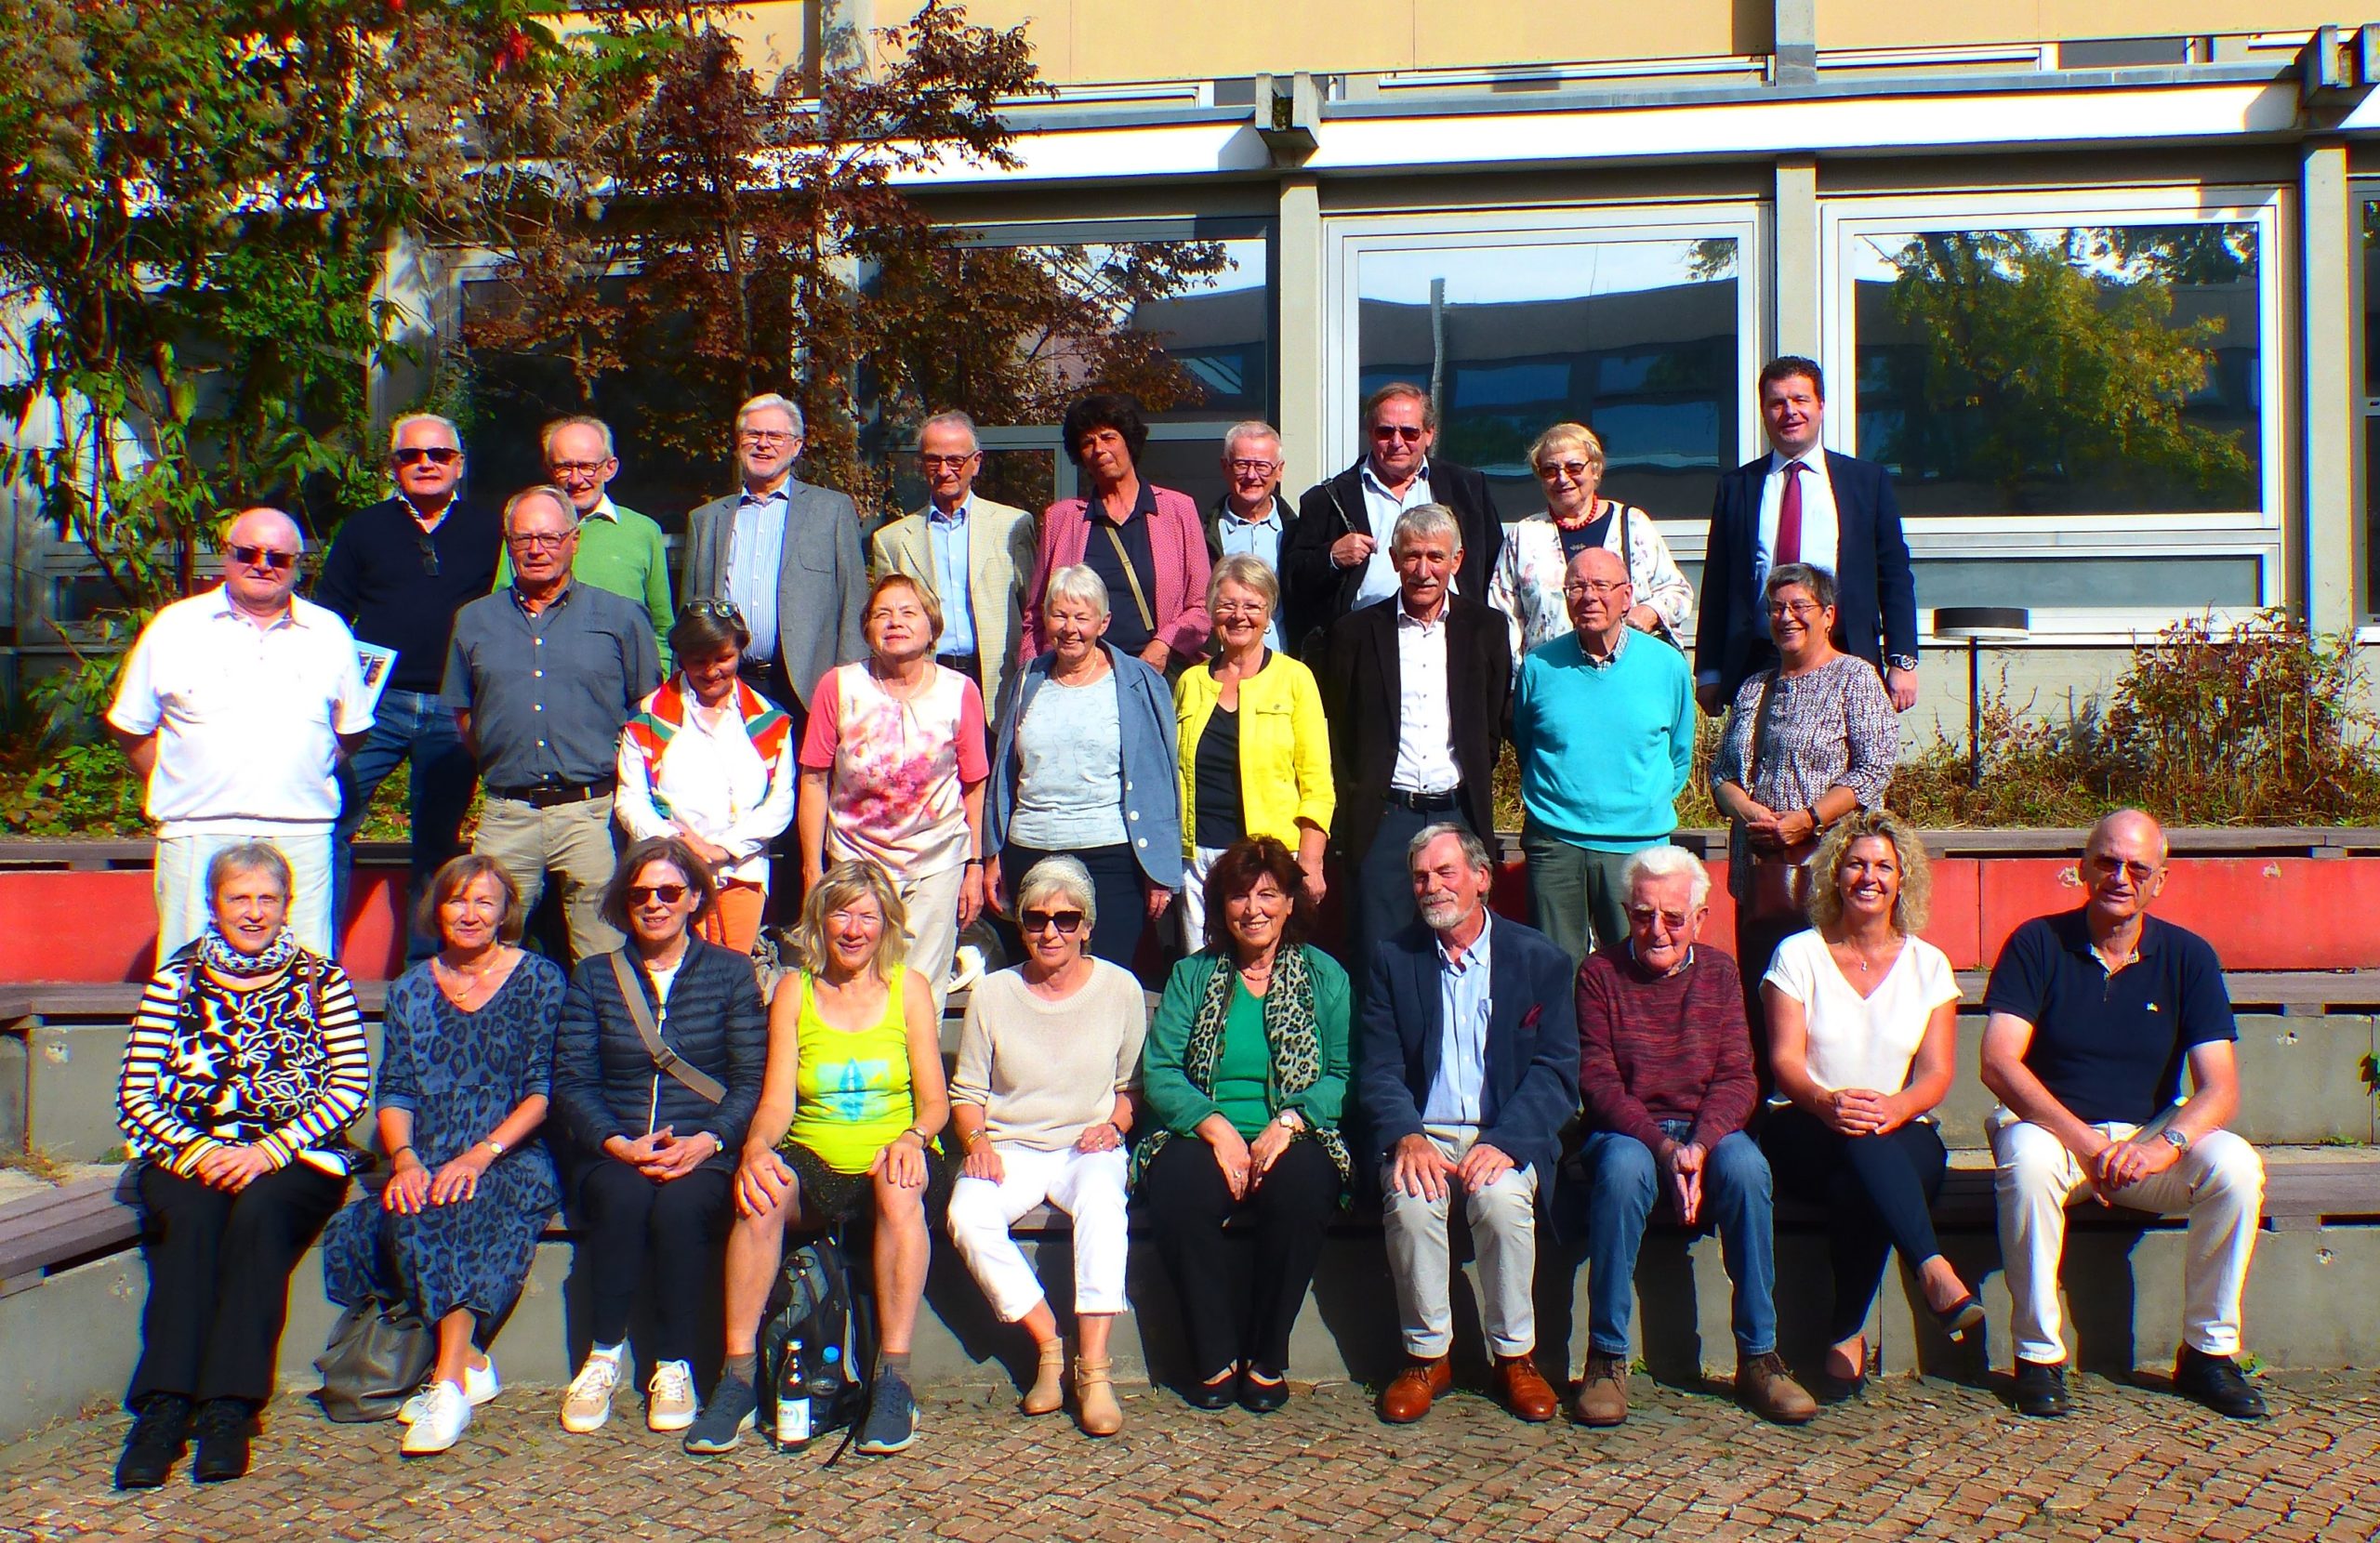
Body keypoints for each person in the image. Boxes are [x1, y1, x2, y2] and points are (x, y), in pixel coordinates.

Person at [1979, 810, 2268, 1421]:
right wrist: (2085, 1143)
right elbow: (1999, 1063)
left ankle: (2208, 1353)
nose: (2120, 877)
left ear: (2160, 880)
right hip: (2056, 1136)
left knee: (2236, 1166)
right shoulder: (2037, 943)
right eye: (2107, 862)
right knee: (2026, 1160)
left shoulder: (2188, 956)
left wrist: (2161, 1148)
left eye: (2138, 868)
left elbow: (2220, 1089)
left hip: (2146, 1139)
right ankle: (2038, 1356)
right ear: (2082, 869)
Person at [112, 841, 371, 1488]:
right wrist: (203, 1152)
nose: (253, 912)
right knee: (193, 1220)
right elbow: (136, 1094)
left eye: (267, 899)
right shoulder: (175, 980)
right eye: (239, 898)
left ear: (287, 905)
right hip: (187, 1151)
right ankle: (165, 1405)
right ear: (214, 904)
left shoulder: (322, 981)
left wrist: (265, 1152)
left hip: (293, 1152)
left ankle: (230, 1407)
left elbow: (349, 1087)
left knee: (259, 1215)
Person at [680, 861, 949, 1458]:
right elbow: (777, 1102)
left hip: (895, 1155)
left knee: (899, 1186)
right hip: (815, 1157)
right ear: (819, 923)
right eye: (841, 914)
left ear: (887, 925)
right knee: (762, 1191)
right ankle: (738, 1378)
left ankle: (893, 1380)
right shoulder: (793, 991)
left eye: (867, 917)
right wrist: (756, 1147)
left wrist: (912, 1138)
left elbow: (935, 1102)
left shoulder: (909, 988)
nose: (853, 929)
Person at [318, 856, 565, 1456]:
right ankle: (471, 1360)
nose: (470, 913)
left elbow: (542, 1092)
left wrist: (481, 1154)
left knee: (460, 1201)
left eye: (484, 901)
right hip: (427, 1150)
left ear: (505, 912)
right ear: (438, 909)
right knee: (410, 1201)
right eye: (458, 900)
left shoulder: (539, 978)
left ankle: (446, 1384)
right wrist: (404, 1159)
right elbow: (395, 1088)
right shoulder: (410, 988)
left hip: (511, 1152)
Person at [1567, 845, 1816, 1428]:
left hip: (1708, 1130)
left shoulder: (1721, 973)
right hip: (1628, 1134)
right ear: (1626, 912)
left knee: (1748, 1169)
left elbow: (1738, 1077)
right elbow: (1599, 1083)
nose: (1657, 930)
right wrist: (1665, 1148)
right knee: (1622, 1170)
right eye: (1643, 915)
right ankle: (1606, 1357)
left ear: (1699, 919)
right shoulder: (1599, 975)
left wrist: (1699, 1146)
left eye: (1673, 917)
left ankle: (1760, 1355)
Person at [1758, 811, 1984, 1398]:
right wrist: (1827, 1101)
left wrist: (1896, 1109)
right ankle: (1932, 1269)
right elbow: (1785, 1061)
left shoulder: (1928, 964)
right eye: (1856, 864)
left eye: (1884, 866)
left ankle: (1847, 1330)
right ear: (1835, 874)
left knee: (1862, 1169)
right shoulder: (1798, 955)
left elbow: (1937, 1075)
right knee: (1859, 1145)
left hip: (1902, 1128)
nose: (1869, 877)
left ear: (1902, 879)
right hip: (1804, 1125)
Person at [549, 837, 768, 1437]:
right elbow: (573, 1080)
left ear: (694, 898)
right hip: (615, 1146)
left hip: (704, 1148)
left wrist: (709, 1141)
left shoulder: (730, 974)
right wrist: (616, 1143)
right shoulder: (595, 977)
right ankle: (602, 1356)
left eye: (669, 891)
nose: (655, 904)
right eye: (641, 893)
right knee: (622, 1198)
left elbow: (749, 1079)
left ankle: (674, 1363)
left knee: (679, 1208)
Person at [1362, 824, 1578, 1426]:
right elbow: (1378, 1067)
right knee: (1411, 1200)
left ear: (1482, 879)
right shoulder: (1393, 959)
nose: (1431, 887)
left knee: (1501, 1201)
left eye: (1445, 872)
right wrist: (1406, 1135)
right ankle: (1427, 1357)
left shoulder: (1539, 960)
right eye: (1420, 877)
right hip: (1423, 1132)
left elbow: (1557, 1070)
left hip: (1502, 1131)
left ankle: (1514, 1356)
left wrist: (1507, 1143)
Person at [1138, 836, 1351, 1414]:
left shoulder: (1325, 976)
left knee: (1302, 1189)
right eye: (1239, 896)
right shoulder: (1192, 975)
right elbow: (1161, 1071)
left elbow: (1341, 1073)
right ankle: (1213, 1356)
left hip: (1296, 1132)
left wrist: (1289, 1121)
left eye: (1268, 894)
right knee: (1179, 1191)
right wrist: (1217, 1129)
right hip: (1199, 1133)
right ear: (1221, 907)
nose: (1253, 909)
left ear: (1289, 903)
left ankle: (1265, 1355)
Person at [108, 508, 375, 960]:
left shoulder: (329, 632)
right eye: (248, 553)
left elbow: (350, 731)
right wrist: (182, 778)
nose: (263, 565)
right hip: (197, 829)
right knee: (189, 970)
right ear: (227, 556)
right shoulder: (175, 626)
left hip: (302, 832)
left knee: (305, 971)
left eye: (278, 558)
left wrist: (305, 769)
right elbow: (131, 727)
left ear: (297, 566)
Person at [944, 856, 1147, 1437]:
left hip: (1087, 1144)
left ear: (1087, 926)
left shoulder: (1120, 988)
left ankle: (1096, 1369)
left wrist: (1116, 1126)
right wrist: (977, 1142)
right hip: (1010, 1145)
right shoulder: (994, 993)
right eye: (1036, 919)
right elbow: (967, 1093)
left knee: (1104, 1202)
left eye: (1066, 919)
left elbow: (1131, 1088)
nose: (1050, 931)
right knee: (967, 1215)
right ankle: (1051, 1347)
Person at [445, 485, 662, 965]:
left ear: (574, 540)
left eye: (549, 537)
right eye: (524, 539)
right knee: (484, 953)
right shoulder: (474, 621)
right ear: (509, 544)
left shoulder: (621, 617)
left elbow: (646, 713)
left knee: (605, 959)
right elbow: (465, 717)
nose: (537, 550)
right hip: (507, 814)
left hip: (592, 814)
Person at [313, 413, 501, 946]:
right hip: (374, 707)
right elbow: (329, 616)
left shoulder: (490, 530)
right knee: (331, 820)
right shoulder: (363, 529)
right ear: (393, 466)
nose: (426, 464)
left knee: (437, 843)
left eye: (439, 455)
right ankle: (318, 957)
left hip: (453, 706)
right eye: (411, 455)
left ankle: (425, 967)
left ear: (459, 464)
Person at [1313, 504, 1511, 983]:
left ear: (1457, 560)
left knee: (1459, 953)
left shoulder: (1486, 628)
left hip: (1457, 812)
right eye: (1413, 556)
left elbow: (1490, 726)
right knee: (1377, 959)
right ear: (1395, 559)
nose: (1424, 570)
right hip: (1383, 818)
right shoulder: (1355, 633)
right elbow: (1339, 730)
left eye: (1436, 557)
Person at [1708, 562, 1897, 1026]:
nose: (1786, 617)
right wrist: (1748, 810)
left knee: (1827, 1010)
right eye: (1776, 608)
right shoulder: (1755, 687)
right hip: (1761, 879)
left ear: (1828, 615)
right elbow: (1722, 775)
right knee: (1765, 1003)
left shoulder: (1855, 677)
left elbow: (1874, 768)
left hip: (1832, 878)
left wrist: (1808, 819)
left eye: (1799, 606)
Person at [798, 574, 990, 1009]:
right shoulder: (838, 686)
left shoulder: (960, 691)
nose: (895, 622)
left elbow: (974, 784)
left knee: (922, 990)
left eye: (908, 612)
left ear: (931, 626)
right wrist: (812, 870)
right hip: (856, 860)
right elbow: (813, 780)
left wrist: (975, 865)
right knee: (857, 982)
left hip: (937, 860)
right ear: (867, 628)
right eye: (882, 614)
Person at [1694, 356, 1919, 716]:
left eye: (1800, 399)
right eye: (1777, 403)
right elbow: (1718, 581)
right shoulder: (1737, 487)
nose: (1790, 412)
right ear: (1764, 411)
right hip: (1759, 659)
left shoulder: (1866, 482)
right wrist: (1708, 670)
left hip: (1844, 654)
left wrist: (1902, 659)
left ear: (1821, 406)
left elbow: (1893, 576)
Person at [986, 565, 1181, 972]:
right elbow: (1004, 773)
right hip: (1031, 848)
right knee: (1040, 979)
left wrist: (1162, 868)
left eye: (1081, 617)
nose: (1070, 628)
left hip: (1111, 854)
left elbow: (1160, 777)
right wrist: (992, 854)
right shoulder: (1028, 679)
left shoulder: (1139, 682)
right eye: (1059, 615)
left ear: (1103, 622)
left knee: (1105, 980)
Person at [1510, 546, 1696, 969]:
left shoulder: (1667, 665)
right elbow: (1527, 744)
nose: (1589, 596)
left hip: (1637, 845)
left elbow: (1679, 753)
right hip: (1555, 843)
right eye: (1576, 587)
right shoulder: (1539, 666)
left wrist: (1638, 806)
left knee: (1640, 971)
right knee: (1554, 973)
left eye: (1601, 585)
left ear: (1627, 596)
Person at [616, 601, 797, 956]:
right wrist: (681, 846)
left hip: (742, 871)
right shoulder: (646, 719)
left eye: (723, 658)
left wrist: (724, 849)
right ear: (681, 657)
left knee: (733, 970)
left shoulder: (770, 719)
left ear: (740, 650)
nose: (712, 671)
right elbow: (630, 800)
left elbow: (781, 800)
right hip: (668, 876)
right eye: (699, 660)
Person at [1172, 554, 1333, 943]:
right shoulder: (1190, 682)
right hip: (1200, 861)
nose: (1239, 616)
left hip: (1271, 859)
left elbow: (1317, 783)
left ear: (1268, 613)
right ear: (1212, 612)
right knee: (1203, 968)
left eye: (1251, 606)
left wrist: (1311, 860)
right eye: (1227, 605)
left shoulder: (1295, 678)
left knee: (1267, 965)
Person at [680, 392, 867, 725]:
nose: (763, 444)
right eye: (753, 434)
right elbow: (690, 616)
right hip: (725, 686)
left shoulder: (832, 511)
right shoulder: (706, 520)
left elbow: (854, 605)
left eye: (775, 436)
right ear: (738, 443)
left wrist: (851, 687)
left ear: (796, 446)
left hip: (806, 690)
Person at [1279, 382, 1501, 650]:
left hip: (1453, 639)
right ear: (1370, 433)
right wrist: (1331, 558)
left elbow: (1495, 571)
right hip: (1365, 644)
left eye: (1409, 432)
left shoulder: (1467, 489)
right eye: (1385, 431)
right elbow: (1293, 581)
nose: (1397, 442)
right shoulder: (1327, 498)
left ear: (1429, 434)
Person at [870, 410, 1038, 749]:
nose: (944, 470)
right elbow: (885, 623)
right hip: (926, 679)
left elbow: (1032, 610)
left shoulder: (1013, 526)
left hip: (996, 681)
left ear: (976, 462)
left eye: (955, 460)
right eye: (933, 460)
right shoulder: (892, 540)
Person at [1020, 392, 1212, 674]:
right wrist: (1032, 676)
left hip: (1157, 672)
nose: (1098, 449)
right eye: (1088, 442)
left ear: (1128, 441)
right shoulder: (1061, 518)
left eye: (1108, 437)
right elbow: (1037, 614)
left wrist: (1163, 645)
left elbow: (1201, 606)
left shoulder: (1177, 510)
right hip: (1080, 677)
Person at [1484, 421, 1694, 665]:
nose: (1562, 478)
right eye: (1550, 470)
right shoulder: (1523, 536)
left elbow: (1678, 592)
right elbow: (1502, 619)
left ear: (1595, 470)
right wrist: (1519, 679)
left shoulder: (1633, 524)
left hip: (1628, 672)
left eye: (1574, 467)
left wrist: (1650, 612)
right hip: (1553, 675)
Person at [496, 415, 677, 668]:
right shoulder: (526, 531)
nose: (575, 479)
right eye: (564, 467)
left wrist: (659, 681)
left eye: (586, 467)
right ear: (549, 470)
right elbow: (502, 614)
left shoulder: (643, 532)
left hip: (620, 683)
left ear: (610, 468)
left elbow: (661, 627)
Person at [1202, 420, 1299, 653]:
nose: (1251, 475)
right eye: (1242, 465)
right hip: (1221, 665)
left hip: (1286, 663)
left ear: (1279, 470)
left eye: (1262, 466)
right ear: (1225, 467)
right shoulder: (1201, 535)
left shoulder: (1300, 534)